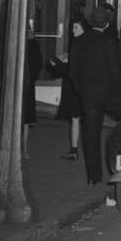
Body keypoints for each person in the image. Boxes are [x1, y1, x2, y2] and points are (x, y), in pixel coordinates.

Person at [69, 6, 121, 185]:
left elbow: (73, 73)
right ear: (107, 24)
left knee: (91, 133)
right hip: (108, 93)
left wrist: (83, 91)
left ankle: (94, 176)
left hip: (88, 94)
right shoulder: (108, 43)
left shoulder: (78, 42)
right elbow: (114, 72)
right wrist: (118, 92)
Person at [49, 17, 90, 161]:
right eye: (72, 28)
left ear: (84, 29)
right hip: (83, 86)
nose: (73, 31)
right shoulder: (83, 43)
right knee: (76, 118)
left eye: (76, 28)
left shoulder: (79, 44)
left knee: (76, 117)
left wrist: (58, 63)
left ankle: (75, 149)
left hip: (77, 86)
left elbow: (74, 68)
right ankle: (75, 149)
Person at [22, 25, 42, 159]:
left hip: (22, 83)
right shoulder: (34, 45)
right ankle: (24, 150)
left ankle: (22, 149)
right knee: (26, 120)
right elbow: (38, 65)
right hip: (28, 85)